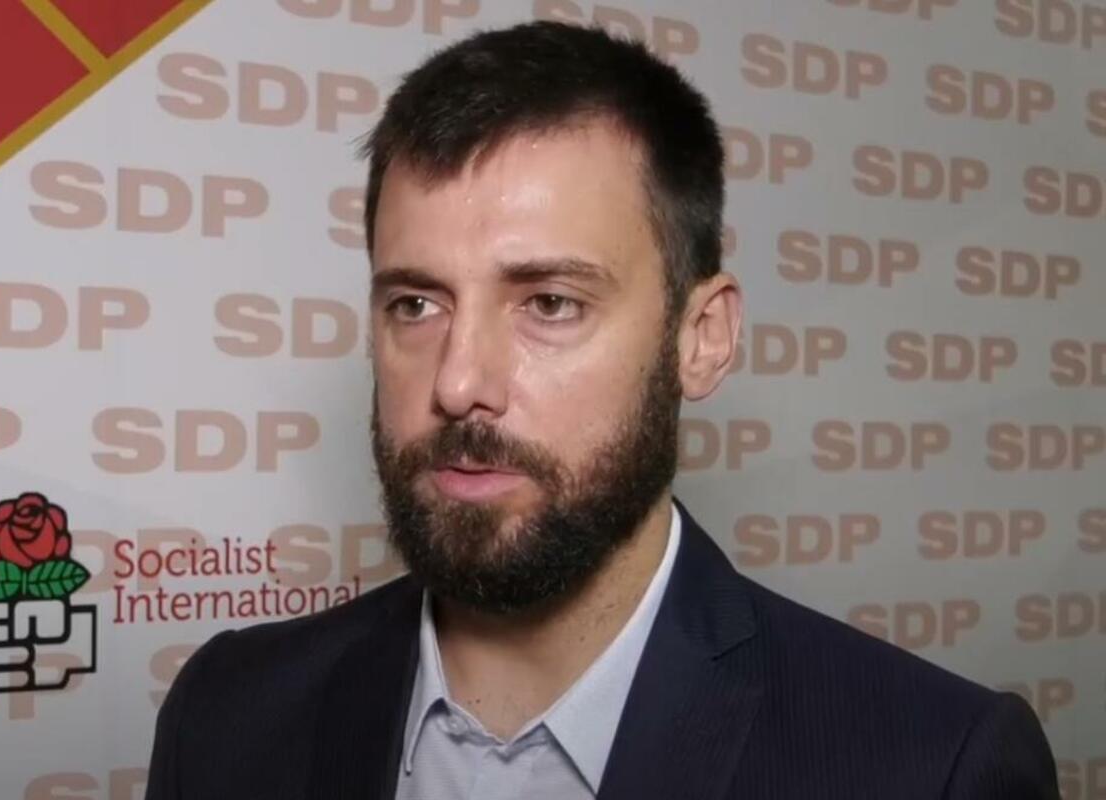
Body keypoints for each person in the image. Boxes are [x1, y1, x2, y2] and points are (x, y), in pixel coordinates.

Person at [143, 20, 1060, 800]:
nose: (458, 383)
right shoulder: (229, 713)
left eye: (550, 303)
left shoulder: (929, 766)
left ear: (701, 339)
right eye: (416, 304)